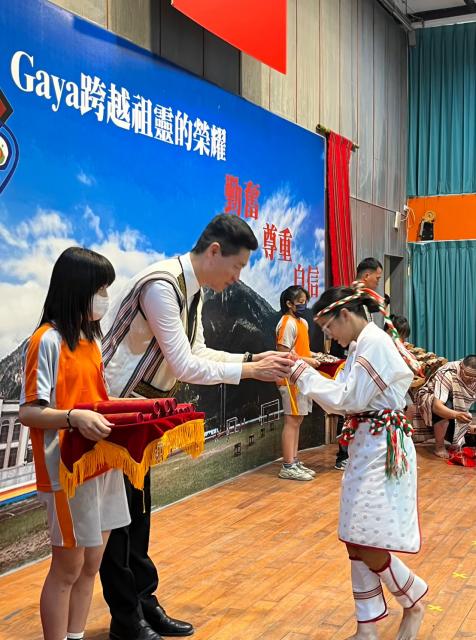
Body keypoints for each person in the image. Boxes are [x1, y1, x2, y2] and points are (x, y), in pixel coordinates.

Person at [100, 213, 292, 640]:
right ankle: (125, 618)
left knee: (139, 514)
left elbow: (198, 350)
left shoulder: (194, 290)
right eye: (237, 266)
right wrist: (251, 371)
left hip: (140, 416)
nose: (236, 277)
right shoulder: (162, 285)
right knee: (119, 520)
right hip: (114, 415)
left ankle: (144, 603)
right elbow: (185, 364)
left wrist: (251, 359)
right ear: (214, 251)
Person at [288, 284, 427, 640]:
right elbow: (350, 394)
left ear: (345, 315)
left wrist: (302, 373)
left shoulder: (373, 344)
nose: (329, 336)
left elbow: (347, 399)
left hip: (382, 448)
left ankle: (413, 599)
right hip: (368, 445)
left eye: (329, 327)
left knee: (367, 541)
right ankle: (366, 629)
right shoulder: (362, 344)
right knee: (355, 537)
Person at [18, 247, 131, 640]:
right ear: (76, 289)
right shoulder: (46, 341)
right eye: (100, 290)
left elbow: (98, 400)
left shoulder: (91, 342)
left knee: (91, 564)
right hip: (65, 469)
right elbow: (29, 412)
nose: (105, 298)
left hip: (102, 462)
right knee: (67, 568)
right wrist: (72, 417)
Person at [275, 285, 318, 481]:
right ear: (289, 304)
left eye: (305, 302)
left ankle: (294, 460)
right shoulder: (287, 323)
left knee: (297, 420)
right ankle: (287, 465)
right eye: (300, 302)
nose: (304, 305)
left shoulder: (303, 323)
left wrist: (315, 357)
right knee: (291, 421)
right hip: (289, 377)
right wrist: (309, 360)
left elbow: (301, 351)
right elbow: (283, 354)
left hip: (302, 376)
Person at [412, 356, 476, 458]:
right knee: (447, 404)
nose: (471, 380)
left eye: (475, 377)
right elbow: (437, 407)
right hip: (433, 401)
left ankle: (457, 436)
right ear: (461, 367)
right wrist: (456, 415)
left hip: (459, 407)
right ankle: (439, 447)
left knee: (470, 441)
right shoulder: (448, 373)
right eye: (468, 375)